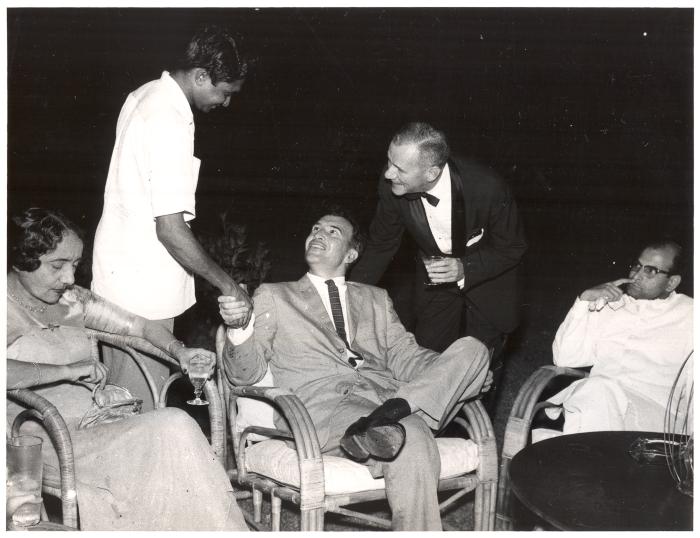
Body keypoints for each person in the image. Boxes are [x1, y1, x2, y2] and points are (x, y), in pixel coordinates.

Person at [219, 209, 490, 531]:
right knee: (411, 435)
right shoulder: (275, 296)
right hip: (324, 409)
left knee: (474, 348)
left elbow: (406, 356)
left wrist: (457, 370)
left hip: (382, 400)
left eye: (332, 232)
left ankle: (388, 415)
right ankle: (390, 417)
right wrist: (238, 330)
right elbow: (245, 375)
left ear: (351, 253)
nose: (318, 234)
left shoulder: (376, 299)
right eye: (315, 228)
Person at [7, 208, 248, 531]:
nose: (68, 278)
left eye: (75, 265)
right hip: (43, 438)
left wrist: (182, 352)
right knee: (169, 432)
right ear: (22, 257)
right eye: (57, 265)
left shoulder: (71, 301)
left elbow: (141, 327)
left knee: (173, 427)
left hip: (98, 428)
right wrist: (67, 370)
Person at [91, 24, 252, 409]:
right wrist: (228, 286)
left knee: (123, 407)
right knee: (140, 417)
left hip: (121, 282)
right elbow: (171, 229)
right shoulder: (170, 121)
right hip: (140, 296)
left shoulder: (145, 94)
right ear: (200, 76)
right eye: (224, 92)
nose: (226, 103)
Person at [350, 122, 526, 408]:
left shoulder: (486, 186)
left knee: (480, 372)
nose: (388, 173)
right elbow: (382, 245)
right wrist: (349, 295)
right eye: (389, 161)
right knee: (425, 362)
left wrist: (465, 268)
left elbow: (513, 247)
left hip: (490, 282)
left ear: (431, 173)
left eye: (399, 169)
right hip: (434, 284)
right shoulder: (391, 186)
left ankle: (475, 441)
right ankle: (428, 439)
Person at [547, 240, 693, 435]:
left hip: (654, 418)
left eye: (650, 271)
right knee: (597, 390)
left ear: (672, 282)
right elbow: (565, 357)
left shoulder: (690, 315)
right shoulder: (610, 305)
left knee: (596, 392)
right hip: (600, 407)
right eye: (637, 266)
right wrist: (585, 299)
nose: (636, 275)